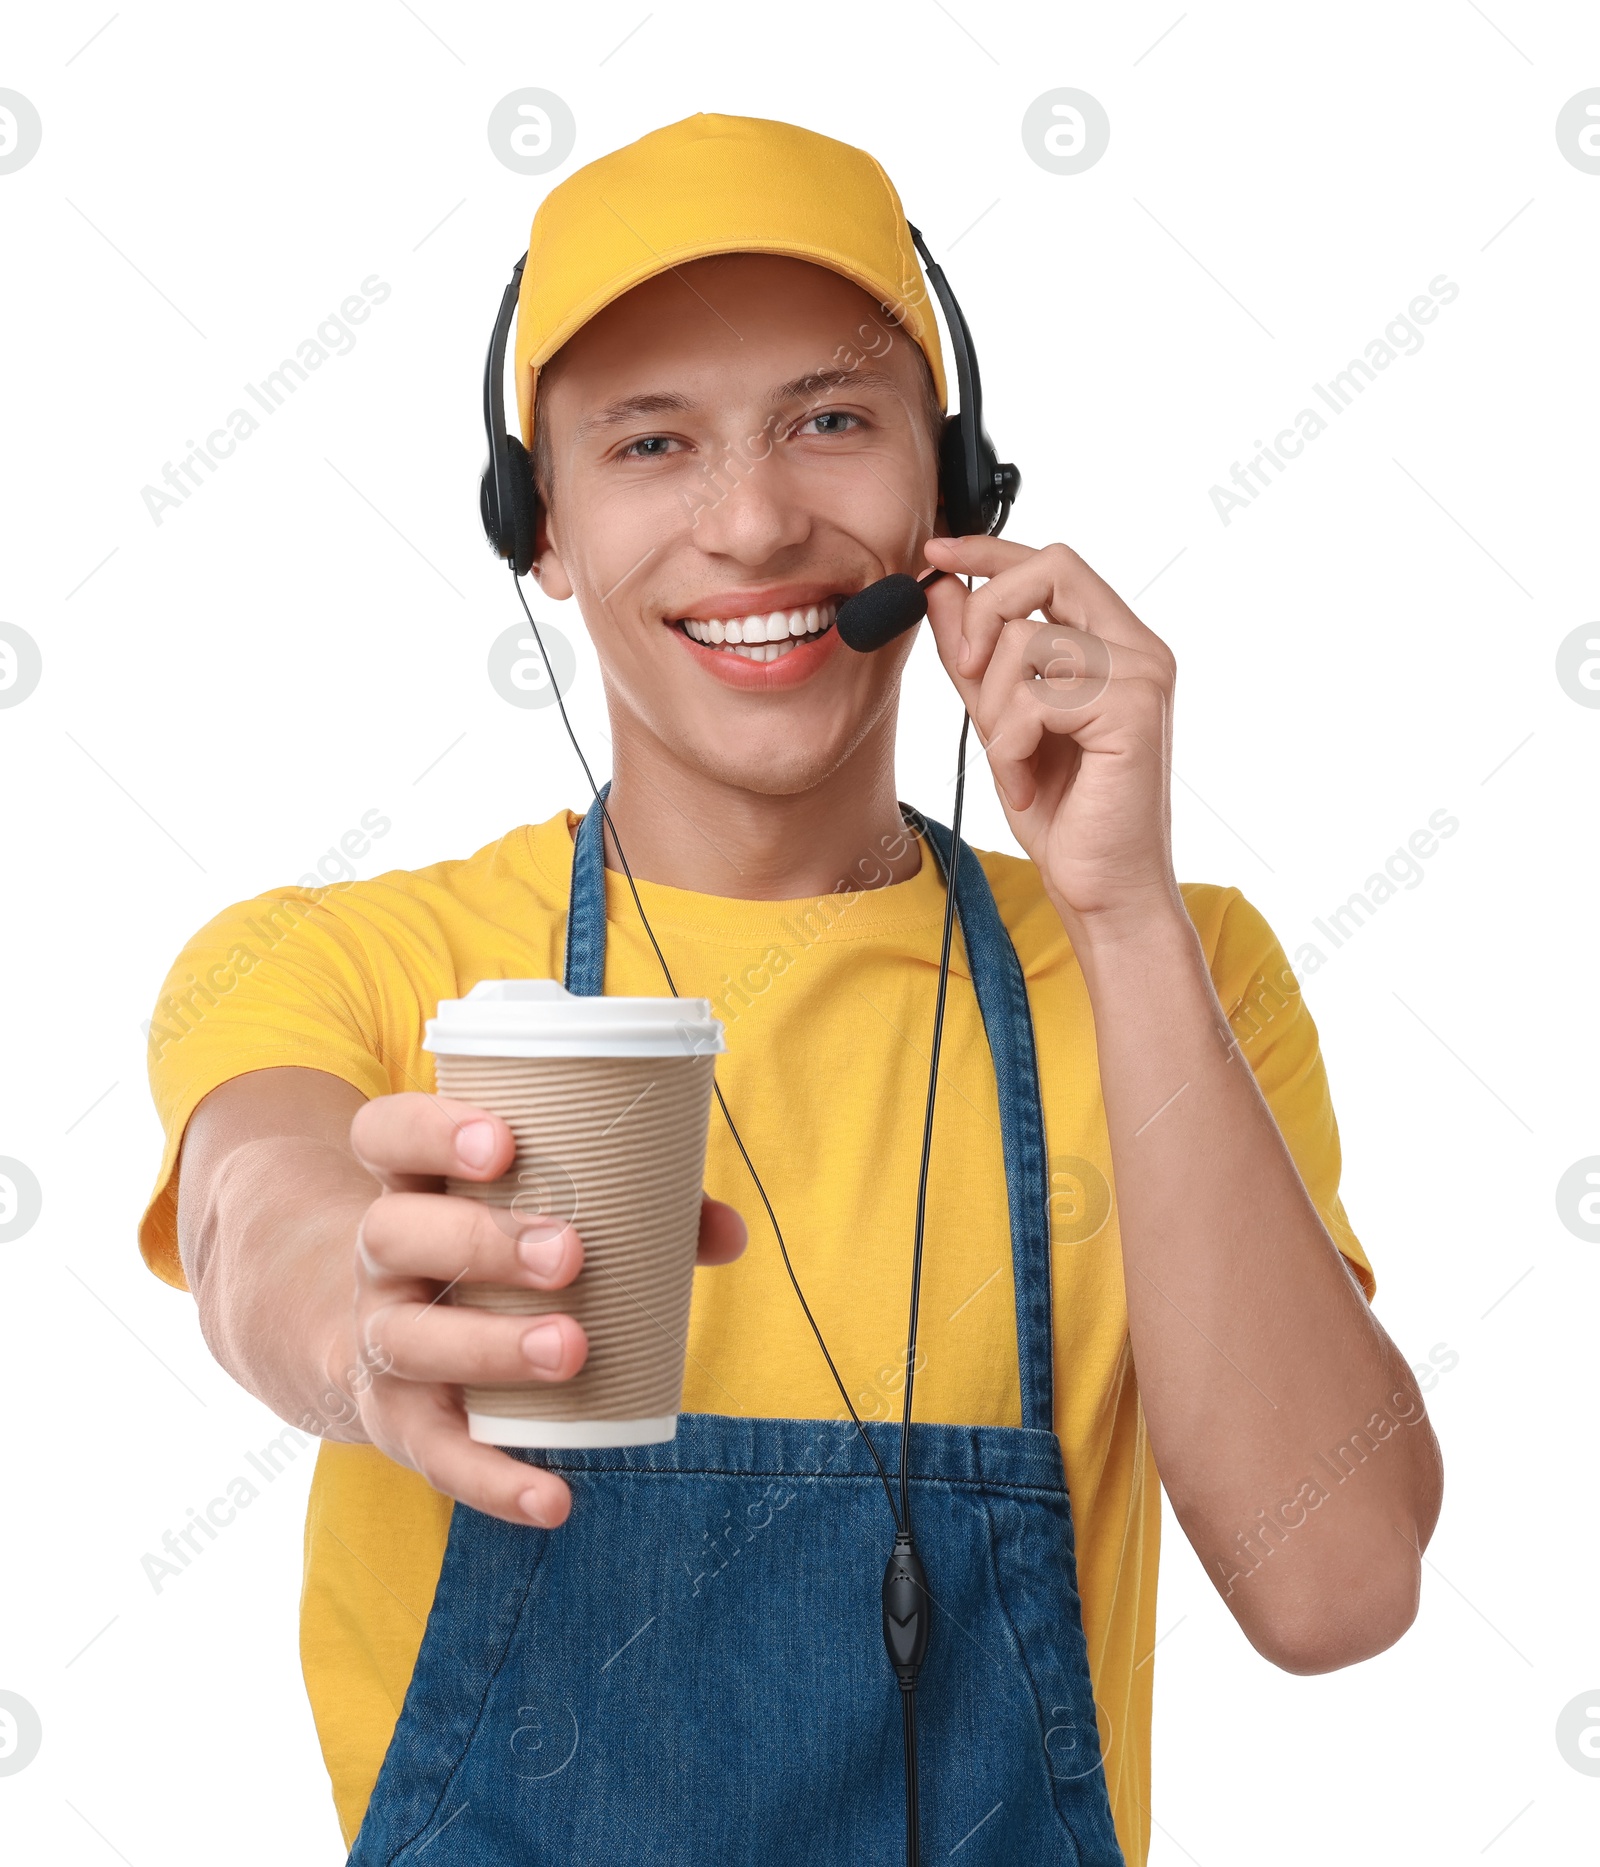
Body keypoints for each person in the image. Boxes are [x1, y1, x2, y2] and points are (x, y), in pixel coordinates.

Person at [138, 113, 1443, 1865]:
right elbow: (255, 1210)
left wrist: (1118, 913)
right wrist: (359, 1333)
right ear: (542, 530)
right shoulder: (347, 964)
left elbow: (1335, 1586)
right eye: (650, 443)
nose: (752, 524)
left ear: (954, 495)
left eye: (830, 422)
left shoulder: (1179, 971)